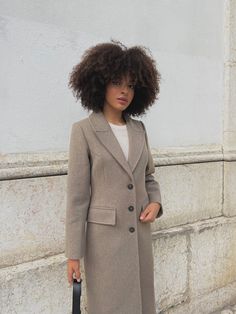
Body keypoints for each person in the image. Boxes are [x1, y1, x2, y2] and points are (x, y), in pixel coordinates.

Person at [65, 40, 163, 314]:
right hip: (105, 244)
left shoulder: (139, 129)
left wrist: (155, 203)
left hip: (140, 240)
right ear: (100, 83)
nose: (124, 91)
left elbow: (149, 178)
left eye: (131, 85)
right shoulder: (84, 131)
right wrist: (73, 254)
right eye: (117, 82)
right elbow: (77, 197)